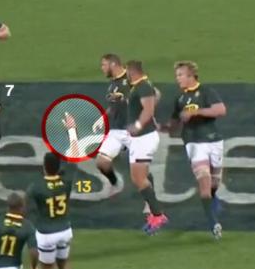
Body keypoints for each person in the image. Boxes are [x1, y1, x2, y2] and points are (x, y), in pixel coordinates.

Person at [161, 61, 226, 239]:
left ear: (191, 76)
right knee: (204, 184)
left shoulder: (206, 92)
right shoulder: (179, 99)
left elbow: (220, 110)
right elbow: (174, 124)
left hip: (214, 141)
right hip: (194, 143)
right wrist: (163, 127)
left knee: (214, 185)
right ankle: (214, 224)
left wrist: (196, 112)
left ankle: (213, 200)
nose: (177, 79)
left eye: (180, 75)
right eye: (177, 76)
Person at [28, 115, 82, 269]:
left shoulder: (36, 187)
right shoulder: (66, 181)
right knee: (64, 265)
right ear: (59, 167)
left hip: (46, 232)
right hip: (65, 229)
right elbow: (75, 155)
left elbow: (25, 210)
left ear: (44, 168)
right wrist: (72, 130)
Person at [125, 60, 168, 234]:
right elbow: (155, 96)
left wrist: (138, 125)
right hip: (140, 139)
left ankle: (158, 215)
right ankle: (154, 213)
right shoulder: (141, 86)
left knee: (138, 178)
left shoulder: (143, 86)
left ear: (131, 71)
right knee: (139, 177)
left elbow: (148, 110)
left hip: (144, 138)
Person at [92, 53, 128, 196]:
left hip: (135, 131)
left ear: (113, 64)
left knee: (140, 170)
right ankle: (115, 183)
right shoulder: (113, 84)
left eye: (104, 65)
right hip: (117, 130)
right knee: (101, 163)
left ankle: (149, 200)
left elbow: (154, 94)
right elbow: (113, 107)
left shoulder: (132, 79)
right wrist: (102, 119)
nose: (102, 68)